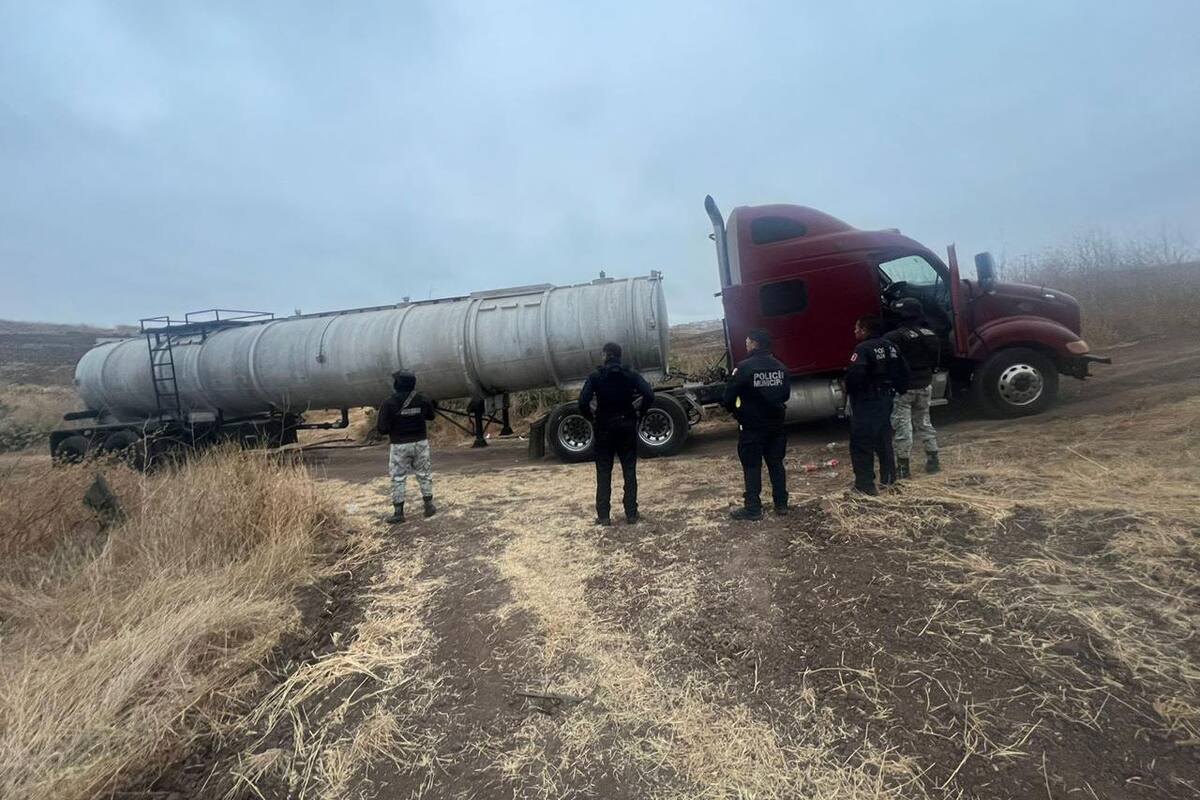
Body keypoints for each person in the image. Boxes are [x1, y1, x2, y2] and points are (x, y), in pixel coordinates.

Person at [579, 342, 655, 525]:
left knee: (603, 471)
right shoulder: (631, 375)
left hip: (604, 427)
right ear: (619, 356)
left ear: (605, 355)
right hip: (626, 425)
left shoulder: (596, 376)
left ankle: (604, 516)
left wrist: (592, 418)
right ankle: (631, 513)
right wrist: (640, 412)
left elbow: (582, 402)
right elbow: (649, 394)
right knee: (629, 469)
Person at [722, 328, 791, 520]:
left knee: (752, 466)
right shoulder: (780, 366)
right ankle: (781, 504)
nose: (745, 344)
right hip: (776, 425)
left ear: (754, 344)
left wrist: (736, 412)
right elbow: (785, 395)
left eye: (747, 341)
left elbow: (728, 397)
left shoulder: (743, 368)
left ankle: (753, 508)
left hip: (752, 427)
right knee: (776, 463)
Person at [845, 315, 908, 495]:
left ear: (865, 330)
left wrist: (851, 392)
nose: (855, 331)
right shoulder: (891, 347)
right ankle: (889, 480)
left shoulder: (862, 349)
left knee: (861, 443)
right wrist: (898, 390)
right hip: (886, 399)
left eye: (857, 328)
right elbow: (903, 371)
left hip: (867, 401)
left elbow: (855, 375)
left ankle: (865, 485)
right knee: (884, 440)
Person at [885, 298, 941, 478]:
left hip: (904, 388)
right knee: (925, 422)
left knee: (903, 427)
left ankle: (903, 468)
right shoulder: (931, 334)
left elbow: (890, 364)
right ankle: (933, 459)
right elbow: (936, 361)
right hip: (925, 384)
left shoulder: (893, 337)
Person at [377, 370, 437, 524]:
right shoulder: (422, 399)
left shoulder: (389, 403)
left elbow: (382, 429)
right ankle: (429, 505)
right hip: (420, 443)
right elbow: (431, 416)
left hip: (399, 445)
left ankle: (398, 513)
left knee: (398, 477)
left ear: (396, 384)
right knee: (424, 473)